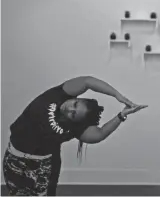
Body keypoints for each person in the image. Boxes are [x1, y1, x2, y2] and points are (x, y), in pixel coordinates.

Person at [2, 76, 148, 196]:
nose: (69, 108)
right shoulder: (59, 94)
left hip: (42, 168)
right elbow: (88, 81)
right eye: (75, 104)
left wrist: (121, 115)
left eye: (73, 114)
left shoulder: (75, 128)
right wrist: (118, 95)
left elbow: (100, 133)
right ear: (76, 98)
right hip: (14, 156)